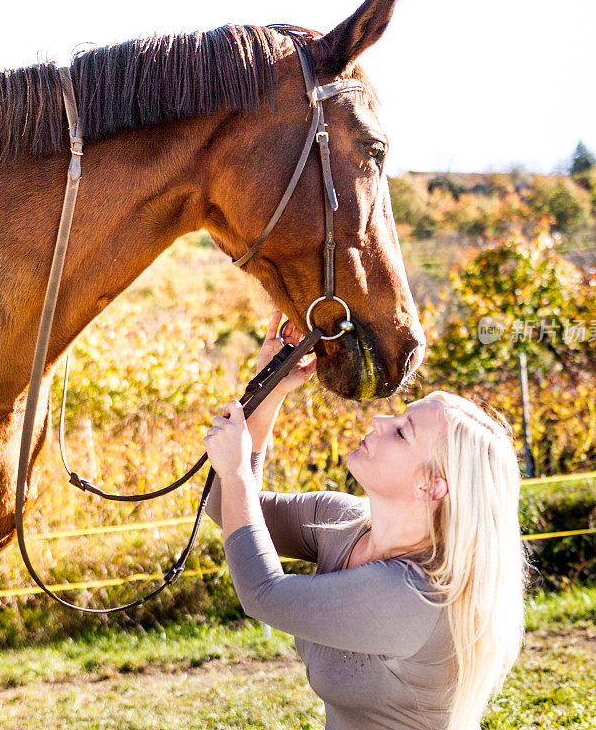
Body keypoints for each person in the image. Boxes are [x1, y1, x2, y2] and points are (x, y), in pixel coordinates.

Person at [203, 312, 526, 730]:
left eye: (403, 432)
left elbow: (262, 593)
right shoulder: (343, 522)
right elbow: (226, 508)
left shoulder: (416, 595)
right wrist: (272, 388)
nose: (380, 420)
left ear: (433, 488)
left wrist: (237, 472)